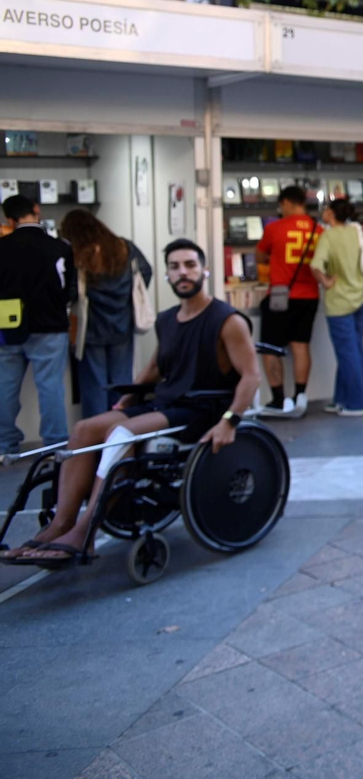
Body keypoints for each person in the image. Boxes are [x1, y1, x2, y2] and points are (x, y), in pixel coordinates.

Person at [2, 238, 257, 566]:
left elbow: (251, 376)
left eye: (190, 265)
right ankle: (60, 524)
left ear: (204, 271)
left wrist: (229, 421)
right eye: (175, 267)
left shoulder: (227, 319)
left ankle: (85, 532)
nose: (183, 273)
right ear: (166, 274)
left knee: (121, 434)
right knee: (83, 429)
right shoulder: (167, 320)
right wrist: (127, 398)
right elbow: (154, 369)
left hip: (201, 408)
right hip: (166, 403)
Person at [0, 194, 76, 453]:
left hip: (8, 326)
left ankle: (5, 445)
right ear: (36, 209)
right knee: (51, 387)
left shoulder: (3, 246)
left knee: (5, 388)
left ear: (9, 219)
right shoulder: (60, 247)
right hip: (51, 324)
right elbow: (69, 290)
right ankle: (55, 445)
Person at [60, 209, 153, 418]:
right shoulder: (124, 247)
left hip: (91, 328)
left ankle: (95, 438)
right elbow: (146, 270)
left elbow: (72, 290)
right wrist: (129, 296)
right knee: (121, 384)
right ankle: (119, 434)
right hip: (123, 323)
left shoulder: (80, 254)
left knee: (94, 386)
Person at [255, 185, 320, 414]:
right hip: (310, 296)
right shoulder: (318, 230)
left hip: (281, 297)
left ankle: (279, 400)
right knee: (301, 346)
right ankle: (300, 395)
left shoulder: (274, 228)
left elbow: (260, 256)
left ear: (286, 203)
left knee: (271, 348)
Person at [310, 199, 363, 417]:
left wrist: (325, 282)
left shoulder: (328, 236)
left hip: (338, 301)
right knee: (355, 348)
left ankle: (356, 402)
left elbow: (316, 265)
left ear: (331, 213)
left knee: (346, 352)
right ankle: (342, 398)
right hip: (361, 295)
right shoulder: (356, 232)